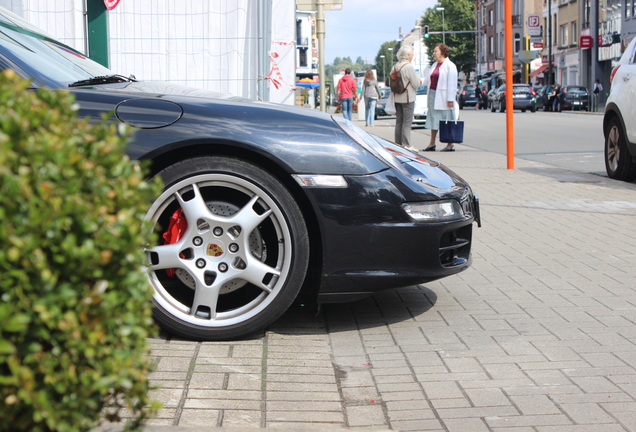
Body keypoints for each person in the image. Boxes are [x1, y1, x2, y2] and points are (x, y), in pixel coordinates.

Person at [422, 43, 459, 152]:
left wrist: (450, 99)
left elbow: (452, 84)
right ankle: (432, 143)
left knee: (446, 119)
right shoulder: (434, 65)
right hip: (433, 94)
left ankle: (450, 143)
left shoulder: (450, 66)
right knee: (433, 119)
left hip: (444, 97)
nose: (433, 53)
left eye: (435, 51)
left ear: (442, 52)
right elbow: (428, 79)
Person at [390, 45, 421, 151]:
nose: (413, 55)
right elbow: (415, 83)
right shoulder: (408, 66)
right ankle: (407, 145)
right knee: (407, 122)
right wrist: (420, 81)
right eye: (412, 53)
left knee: (399, 122)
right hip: (408, 98)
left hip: (397, 97)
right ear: (408, 55)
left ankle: (397, 144)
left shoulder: (395, 66)